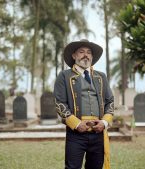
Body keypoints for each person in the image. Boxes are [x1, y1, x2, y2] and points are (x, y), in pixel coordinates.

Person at [54, 39, 114, 169]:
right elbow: (60, 103)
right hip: (76, 134)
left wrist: (104, 123)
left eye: (89, 52)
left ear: (92, 57)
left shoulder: (101, 77)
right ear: (74, 55)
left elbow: (110, 101)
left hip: (98, 133)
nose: (85, 55)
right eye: (81, 52)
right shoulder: (64, 76)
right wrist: (76, 124)